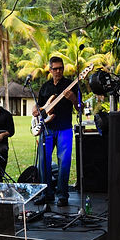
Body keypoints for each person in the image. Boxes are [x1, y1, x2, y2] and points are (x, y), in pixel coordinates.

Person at [32, 56, 79, 207]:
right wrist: (35, 110)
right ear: (50, 70)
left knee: (64, 163)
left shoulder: (71, 85)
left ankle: (62, 195)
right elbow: (40, 108)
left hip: (64, 128)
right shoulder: (45, 87)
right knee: (43, 163)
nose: (58, 71)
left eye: (61, 68)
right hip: (47, 129)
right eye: (55, 69)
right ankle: (46, 194)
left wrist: (73, 100)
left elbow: (80, 108)